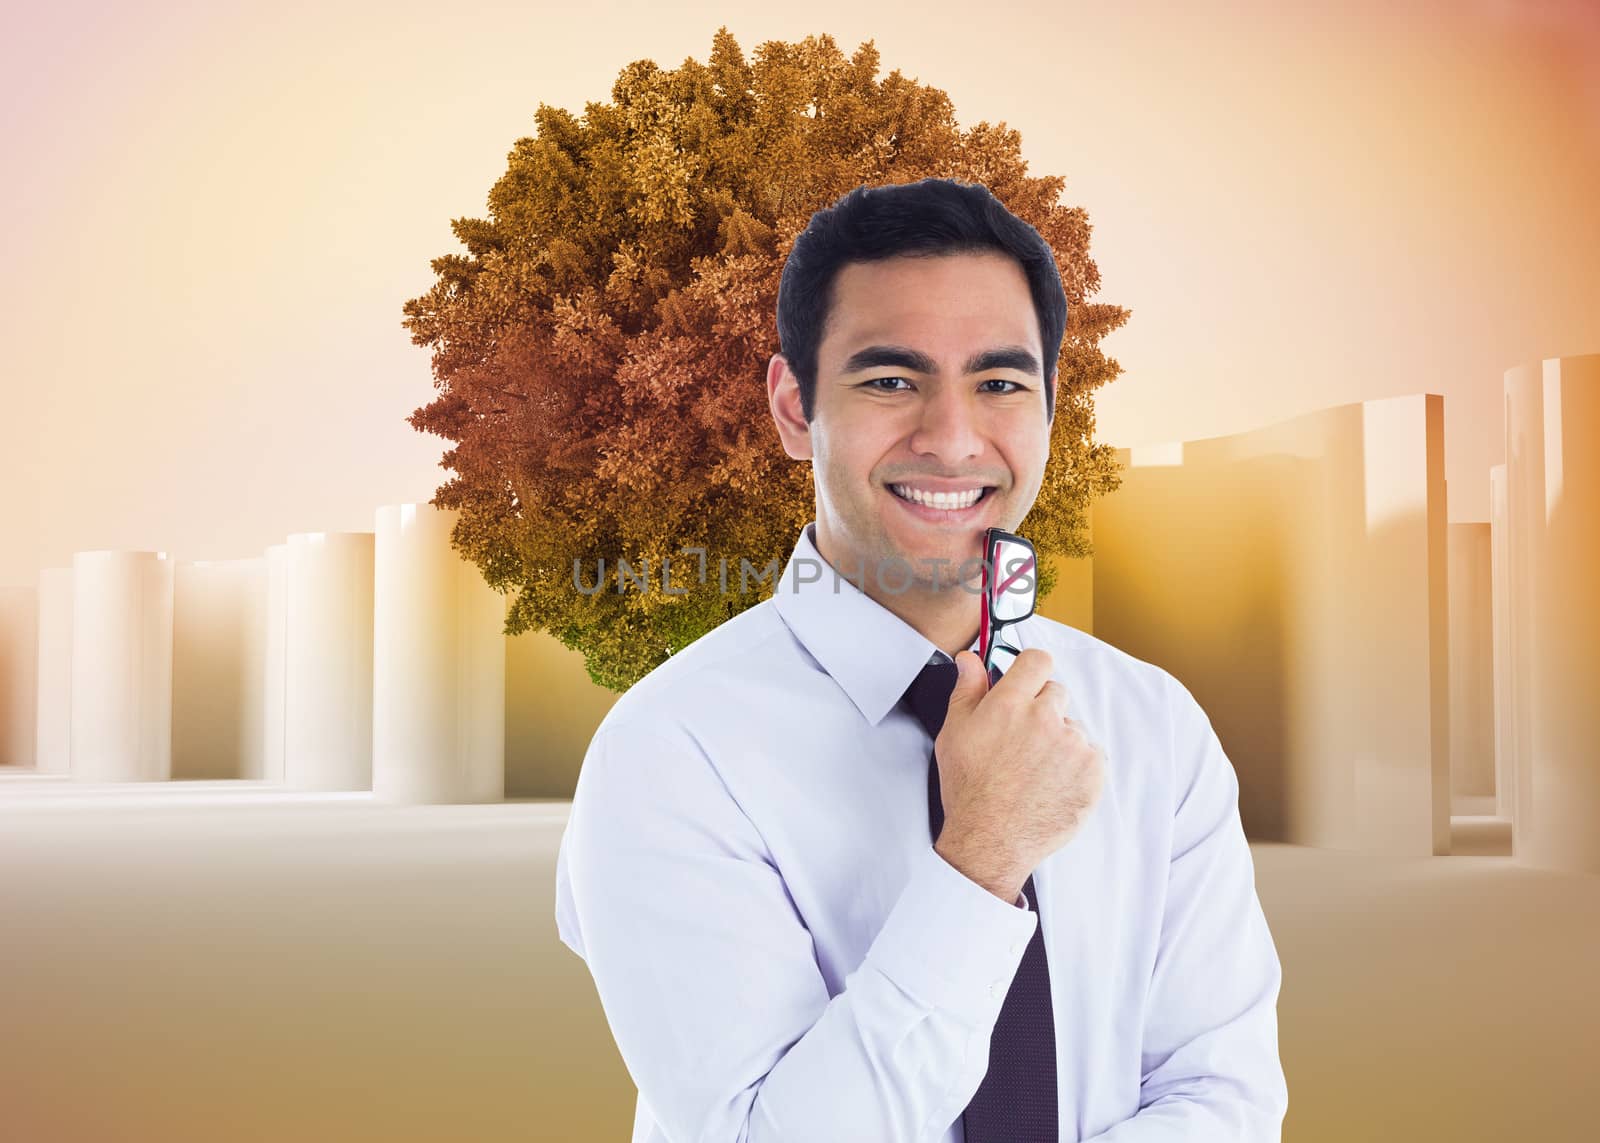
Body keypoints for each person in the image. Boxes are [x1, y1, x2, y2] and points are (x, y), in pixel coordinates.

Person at [554, 178, 1288, 1141]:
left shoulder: (1153, 724)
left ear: (1051, 411)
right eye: (891, 379)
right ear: (791, 406)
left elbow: (1220, 1097)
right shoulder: (671, 750)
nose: (951, 438)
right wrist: (982, 860)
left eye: (999, 382)